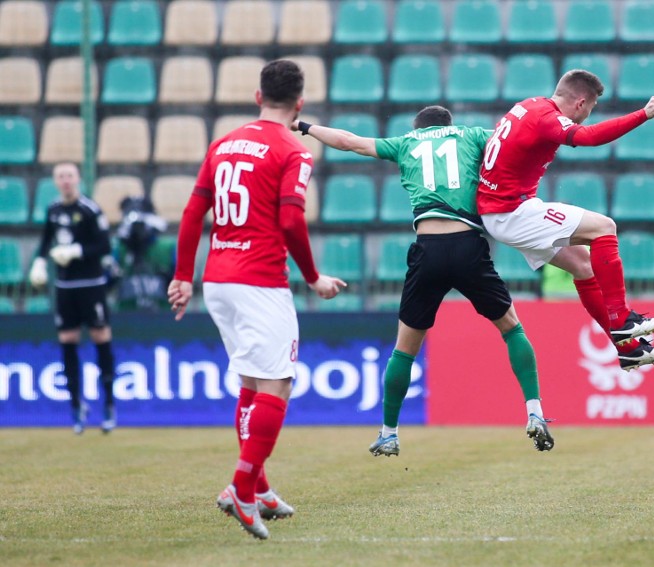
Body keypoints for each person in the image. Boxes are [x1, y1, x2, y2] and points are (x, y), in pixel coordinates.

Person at [294, 105, 554, 456]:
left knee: (405, 349)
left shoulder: (407, 142)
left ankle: (388, 433)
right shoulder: (472, 135)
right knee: (511, 329)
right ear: (449, 124)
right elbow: (514, 145)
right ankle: (534, 411)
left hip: (428, 248)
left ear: (418, 127)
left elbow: (347, 141)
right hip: (468, 245)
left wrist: (305, 126)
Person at [167, 59, 346, 540]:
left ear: (256, 96)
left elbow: (192, 211)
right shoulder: (293, 149)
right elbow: (290, 222)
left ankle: (260, 486)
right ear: (300, 104)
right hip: (259, 280)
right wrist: (313, 278)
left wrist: (183, 275)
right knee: (277, 385)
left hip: (218, 280)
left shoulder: (224, 143)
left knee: (251, 382)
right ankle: (242, 489)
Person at [477, 70, 654, 369]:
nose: (587, 115)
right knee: (604, 227)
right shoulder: (547, 118)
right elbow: (590, 137)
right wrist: (643, 114)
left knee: (584, 266)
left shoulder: (528, 105)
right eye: (591, 108)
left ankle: (628, 350)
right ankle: (622, 319)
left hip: (501, 211)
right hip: (512, 211)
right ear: (581, 103)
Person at [28, 162, 117, 435]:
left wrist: (77, 250)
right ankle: (76, 405)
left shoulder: (89, 209)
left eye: (69, 176)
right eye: (60, 176)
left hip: (91, 285)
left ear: (77, 179)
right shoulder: (54, 210)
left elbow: (104, 245)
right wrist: (40, 262)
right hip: (65, 287)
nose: (65, 181)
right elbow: (46, 241)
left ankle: (109, 404)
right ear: (55, 181)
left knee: (101, 336)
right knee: (68, 340)